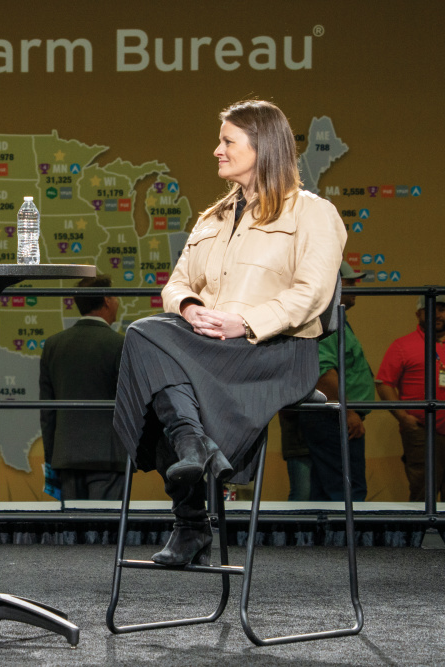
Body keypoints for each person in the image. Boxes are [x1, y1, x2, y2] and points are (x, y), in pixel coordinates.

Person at [111, 100, 345, 566]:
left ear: (262, 147)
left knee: (146, 342)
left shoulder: (313, 214)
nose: (217, 150)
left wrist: (248, 322)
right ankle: (192, 450)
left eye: (227, 141)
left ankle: (190, 514)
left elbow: (313, 294)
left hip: (276, 351)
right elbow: (176, 284)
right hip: (211, 348)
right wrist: (192, 308)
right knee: (147, 339)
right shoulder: (212, 217)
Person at [39, 275, 127, 500]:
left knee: (74, 529)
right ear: (107, 300)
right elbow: (130, 404)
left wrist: (52, 458)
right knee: (105, 530)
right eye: (115, 296)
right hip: (109, 458)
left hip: (67, 458)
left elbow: (47, 412)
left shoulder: (53, 345)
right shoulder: (120, 344)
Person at [299, 261, 374, 501]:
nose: (356, 286)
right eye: (350, 282)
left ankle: (328, 539)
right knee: (347, 492)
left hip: (333, 415)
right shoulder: (327, 320)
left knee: (326, 491)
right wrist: (347, 411)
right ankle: (347, 539)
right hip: (334, 417)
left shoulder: (333, 319)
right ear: (335, 285)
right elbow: (323, 373)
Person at [375, 295, 445, 501]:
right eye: (431, 308)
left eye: (442, 309)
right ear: (418, 314)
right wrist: (403, 418)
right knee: (424, 492)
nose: (438, 314)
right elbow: (383, 384)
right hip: (421, 432)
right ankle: (420, 534)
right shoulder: (402, 345)